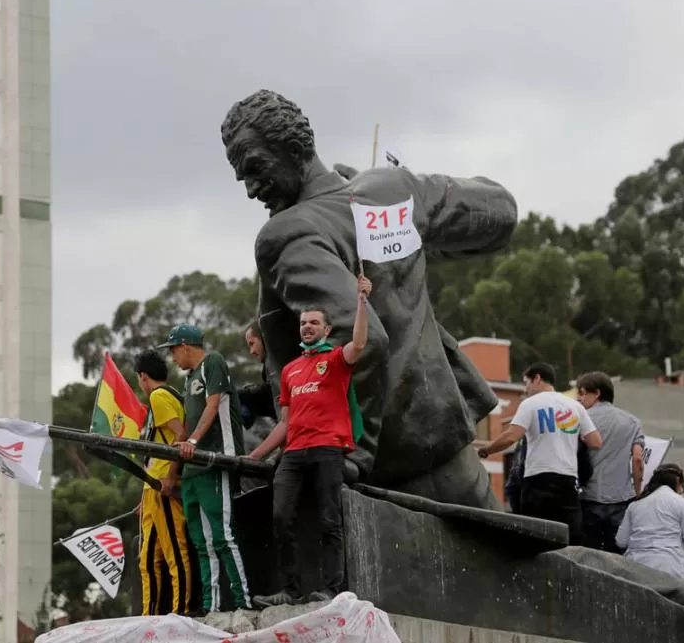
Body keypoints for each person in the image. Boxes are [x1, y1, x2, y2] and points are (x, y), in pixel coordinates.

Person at [221, 89, 517, 510]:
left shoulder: (287, 234)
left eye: (254, 169)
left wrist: (349, 455)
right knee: (509, 571)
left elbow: (361, 341)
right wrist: (399, 222)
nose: (251, 189)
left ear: (292, 150)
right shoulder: (391, 190)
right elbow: (500, 213)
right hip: (450, 454)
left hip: (379, 484)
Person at [249, 274, 373, 608]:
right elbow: (284, 424)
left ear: (327, 330)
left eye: (314, 322)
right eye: (304, 323)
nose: (307, 327)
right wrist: (256, 456)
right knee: (279, 516)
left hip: (327, 448)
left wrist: (361, 301)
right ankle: (290, 590)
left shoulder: (335, 359)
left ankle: (331, 589)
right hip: (294, 452)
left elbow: (359, 343)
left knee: (329, 519)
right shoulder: (290, 370)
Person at [157, 324, 252, 613]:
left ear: (185, 345)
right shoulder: (188, 380)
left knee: (223, 535)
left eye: (173, 350)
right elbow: (185, 427)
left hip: (215, 458)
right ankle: (212, 607)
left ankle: (243, 602)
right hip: (193, 468)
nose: (173, 358)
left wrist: (194, 441)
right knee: (201, 542)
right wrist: (173, 472)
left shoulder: (213, 362)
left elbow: (212, 406)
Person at [478, 363, 602, 543]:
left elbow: (511, 437)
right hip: (567, 480)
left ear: (537, 378)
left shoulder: (530, 404)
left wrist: (485, 450)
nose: (526, 388)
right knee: (570, 538)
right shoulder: (575, 407)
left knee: (533, 537)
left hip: (537, 480)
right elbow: (596, 442)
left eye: (526, 382)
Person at [133, 350, 197, 616]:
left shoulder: (159, 396)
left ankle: (178, 613)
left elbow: (181, 434)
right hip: (152, 486)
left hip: (163, 484)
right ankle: (149, 617)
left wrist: (170, 477)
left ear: (143, 377)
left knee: (174, 551)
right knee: (147, 559)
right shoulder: (159, 398)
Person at [575, 371, 645, 553]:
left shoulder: (580, 419)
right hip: (621, 500)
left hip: (588, 498)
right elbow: (637, 460)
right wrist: (638, 492)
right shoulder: (632, 422)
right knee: (618, 558)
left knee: (588, 557)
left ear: (597, 393)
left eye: (582, 393)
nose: (579, 398)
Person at [615, 463, 684, 580]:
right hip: (670, 567)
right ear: (678, 480)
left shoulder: (634, 506)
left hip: (635, 567)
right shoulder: (682, 504)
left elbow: (620, 541)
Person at [237, 321, 277, 427]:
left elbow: (272, 390)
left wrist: (240, 394)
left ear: (263, 338)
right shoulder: (268, 365)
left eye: (252, 344)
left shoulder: (277, 361)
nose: (251, 351)